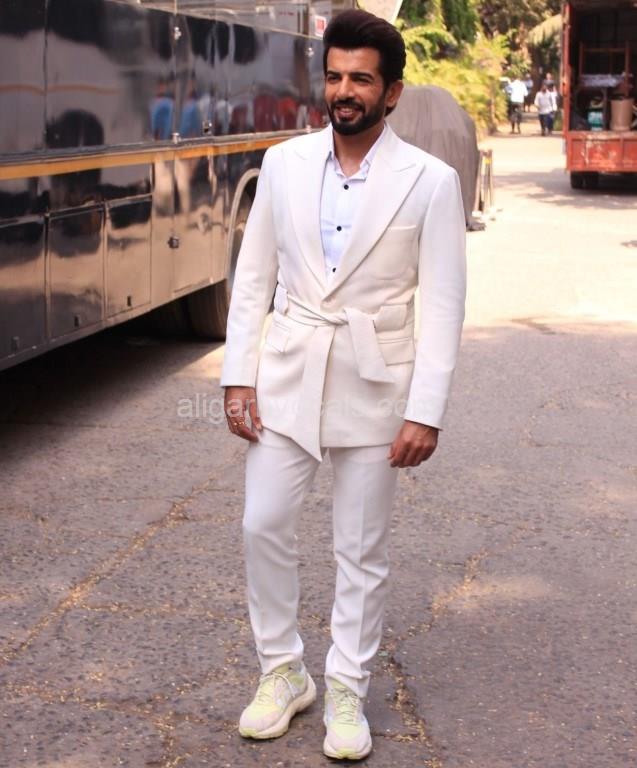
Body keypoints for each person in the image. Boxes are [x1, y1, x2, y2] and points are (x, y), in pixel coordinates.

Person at [220, 9, 466, 761]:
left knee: (359, 548)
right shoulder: (284, 163)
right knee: (261, 523)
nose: (344, 91)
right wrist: (237, 376)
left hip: (375, 378)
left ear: (391, 92)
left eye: (361, 79)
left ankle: (347, 688)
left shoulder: (431, 182)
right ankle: (283, 671)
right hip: (288, 370)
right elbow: (253, 279)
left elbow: (443, 307)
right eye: (333, 76)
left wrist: (425, 411)